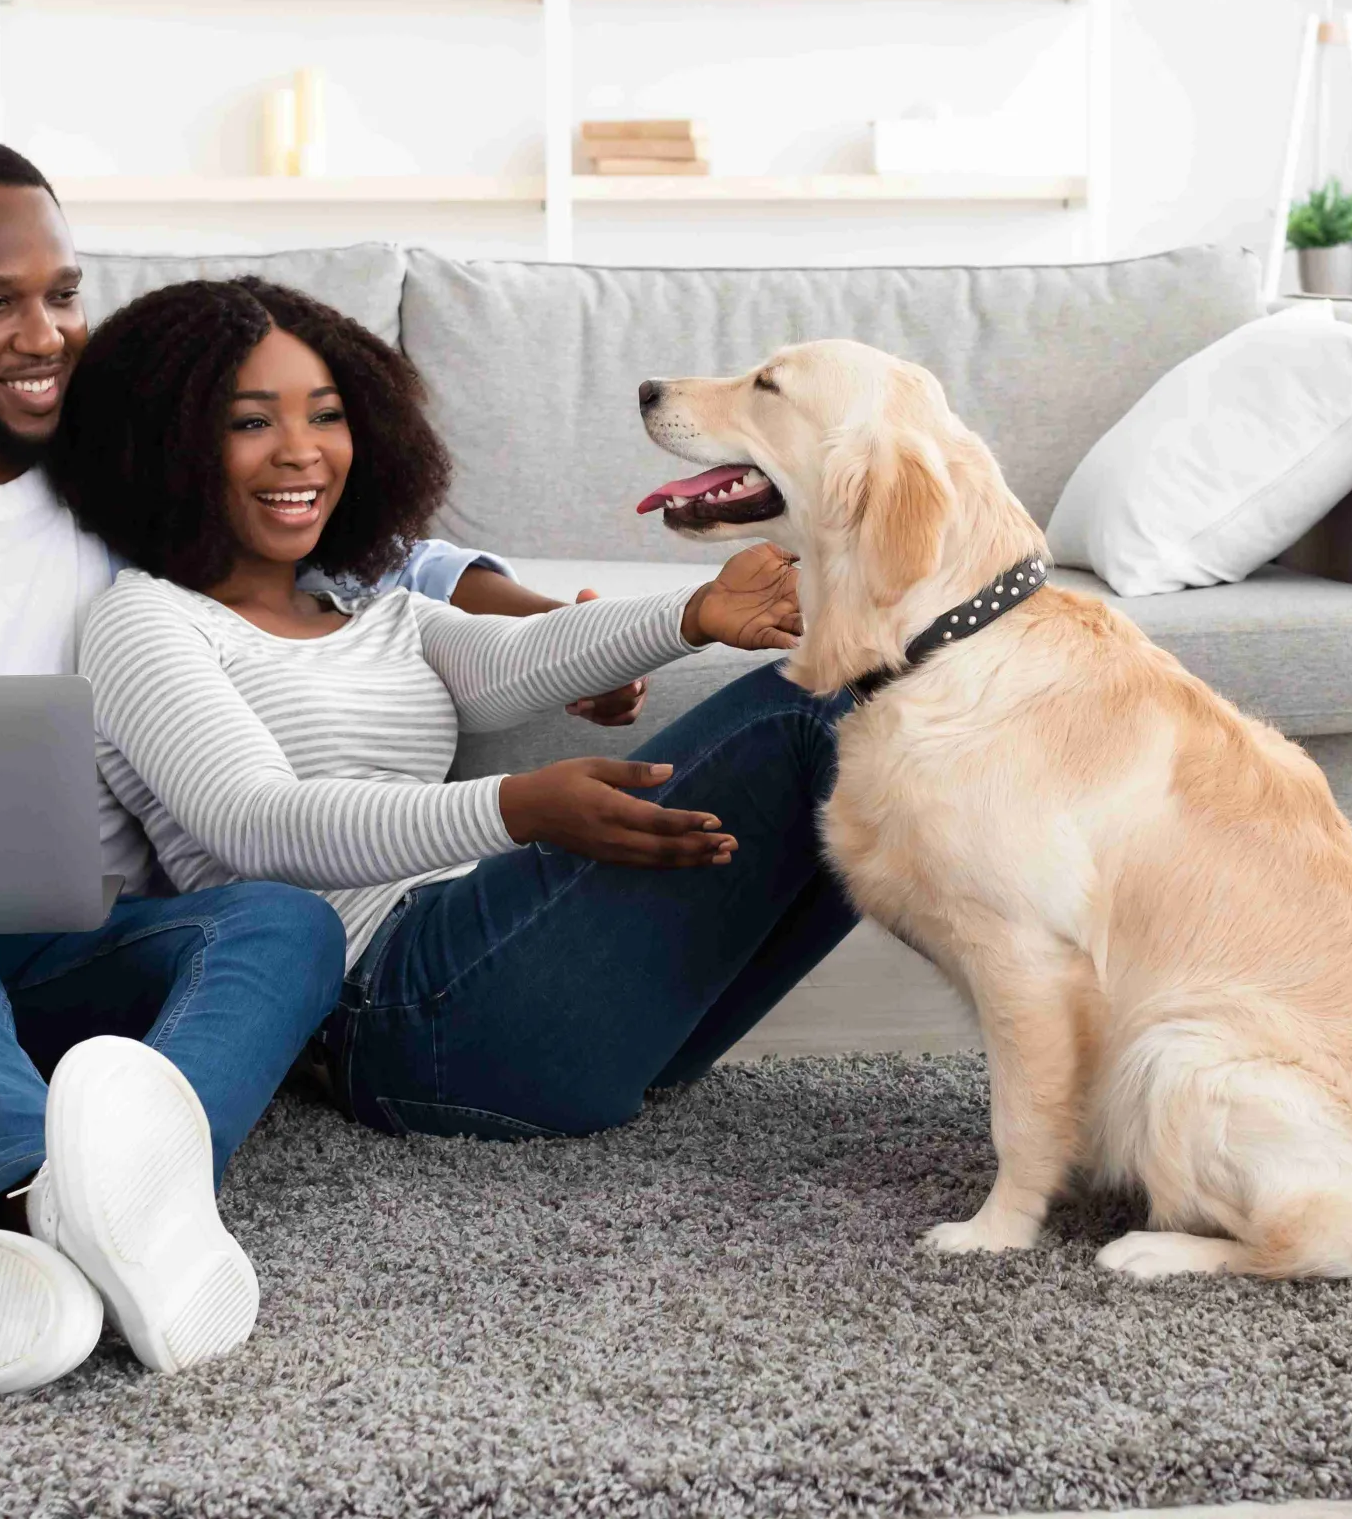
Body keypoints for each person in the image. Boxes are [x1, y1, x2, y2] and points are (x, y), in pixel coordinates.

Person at [0, 139, 646, 1393]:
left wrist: (535, 616)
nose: (45, 334)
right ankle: (47, 1213)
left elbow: (371, 541)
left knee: (281, 923)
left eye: (63, 294)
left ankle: (43, 1259)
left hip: (86, 956)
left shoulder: (129, 477)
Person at [46, 277, 863, 1144]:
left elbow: (515, 661)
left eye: (326, 416)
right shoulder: (142, 619)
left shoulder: (377, 612)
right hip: (397, 1006)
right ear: (163, 444)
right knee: (811, 710)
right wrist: (517, 807)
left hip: (494, 974)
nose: (302, 451)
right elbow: (256, 822)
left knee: (875, 719)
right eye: (252, 422)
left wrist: (695, 611)